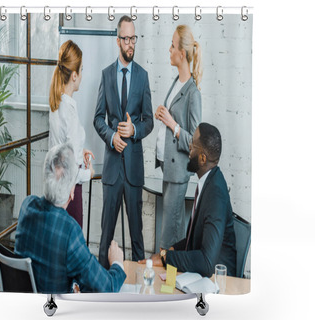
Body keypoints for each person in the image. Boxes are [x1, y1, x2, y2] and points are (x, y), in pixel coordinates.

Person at [14, 143, 126, 293]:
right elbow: (107, 287)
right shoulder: (69, 230)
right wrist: (117, 263)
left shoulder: (27, 205)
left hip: (25, 306)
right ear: (72, 192)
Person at [94, 15, 153, 269]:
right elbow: (98, 119)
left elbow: (149, 120)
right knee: (106, 237)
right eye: (126, 39)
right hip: (111, 171)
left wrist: (133, 130)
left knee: (137, 239)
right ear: (118, 41)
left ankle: (140, 293)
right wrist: (112, 136)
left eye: (134, 39)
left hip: (134, 171)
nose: (131, 44)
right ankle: (99, 290)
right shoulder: (107, 75)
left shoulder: (142, 76)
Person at [139, 123, 237, 277]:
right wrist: (170, 250)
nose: (189, 148)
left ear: (203, 158)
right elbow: (195, 238)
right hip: (204, 273)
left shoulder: (215, 194)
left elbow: (206, 262)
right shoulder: (208, 182)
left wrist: (166, 258)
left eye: (193, 144)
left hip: (220, 280)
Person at [155, 25, 203, 250]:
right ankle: (168, 283)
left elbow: (195, 143)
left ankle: (170, 283)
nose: (169, 49)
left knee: (170, 236)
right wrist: (163, 115)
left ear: (182, 54)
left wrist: (172, 125)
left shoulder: (193, 93)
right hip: (168, 169)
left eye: (173, 46)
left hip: (178, 174)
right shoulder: (177, 82)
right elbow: (171, 117)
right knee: (170, 231)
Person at [49, 40, 95, 228]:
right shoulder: (69, 110)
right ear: (74, 75)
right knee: (71, 252)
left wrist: (79, 150)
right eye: (81, 70)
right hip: (70, 195)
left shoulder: (56, 104)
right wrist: (89, 173)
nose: (82, 75)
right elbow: (73, 173)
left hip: (55, 190)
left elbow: (61, 150)